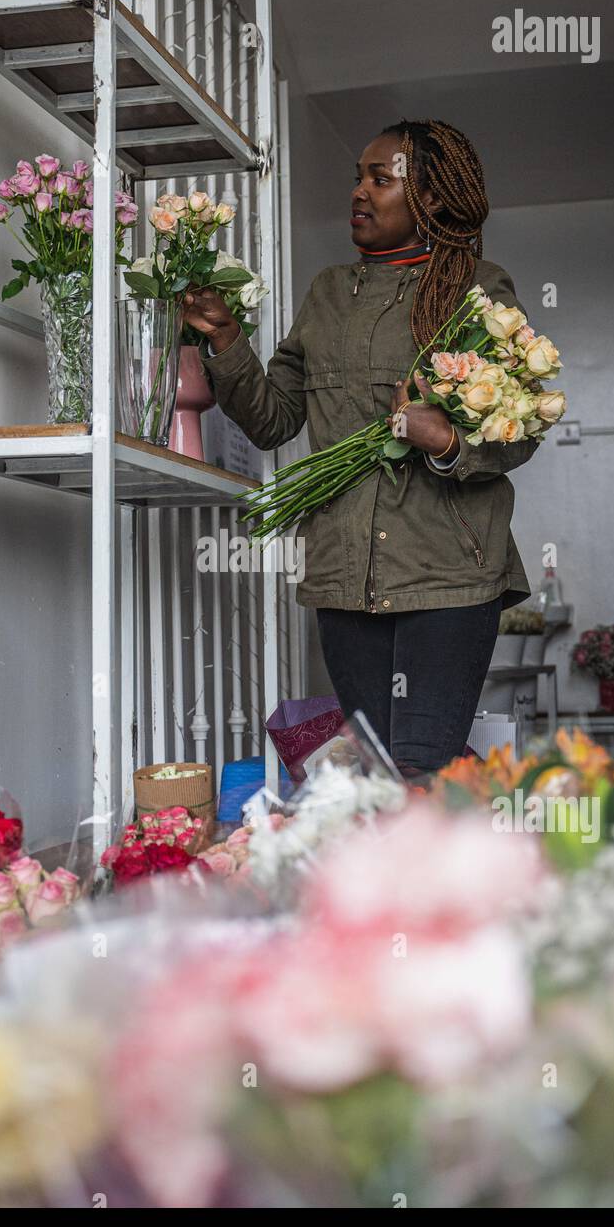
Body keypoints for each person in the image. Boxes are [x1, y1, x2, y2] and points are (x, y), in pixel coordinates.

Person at [182, 118, 539, 783]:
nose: (359, 192)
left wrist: (446, 442)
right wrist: (226, 339)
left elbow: (521, 427)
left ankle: (453, 883)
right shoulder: (326, 294)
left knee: (421, 770)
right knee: (375, 776)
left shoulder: (478, 289)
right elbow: (273, 420)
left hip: (448, 573)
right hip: (345, 573)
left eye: (381, 179)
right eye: (357, 178)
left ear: (430, 197)